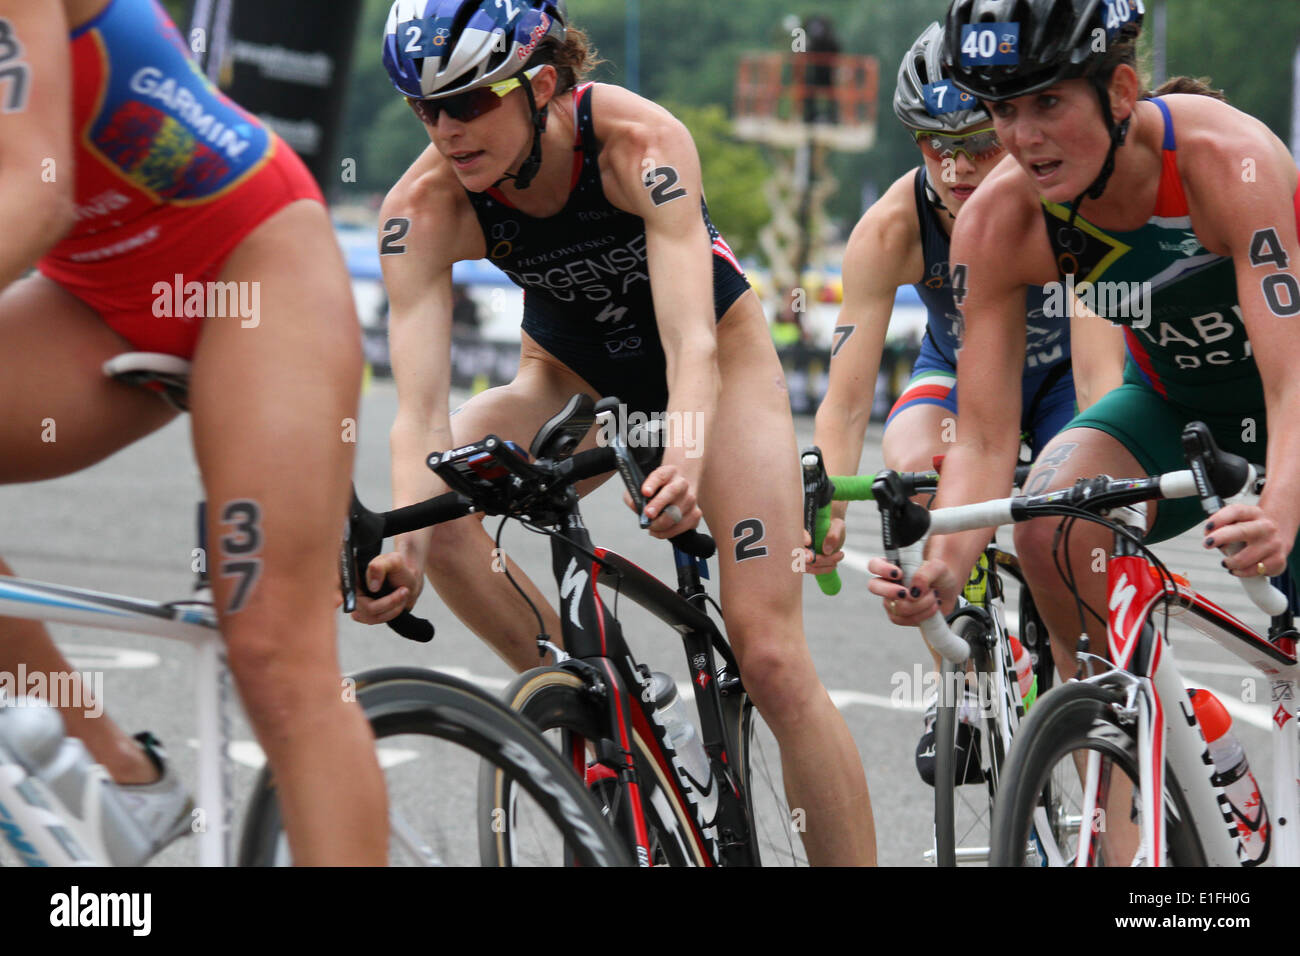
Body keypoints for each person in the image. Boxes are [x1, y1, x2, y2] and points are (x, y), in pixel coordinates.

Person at [359, 0, 875, 864]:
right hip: (569, 384)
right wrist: (401, 547)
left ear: (545, 83)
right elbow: (418, 414)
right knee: (443, 501)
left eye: (471, 101)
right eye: (426, 109)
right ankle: (601, 701)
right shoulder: (421, 207)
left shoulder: (640, 141)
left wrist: (684, 450)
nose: (447, 130)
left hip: (716, 373)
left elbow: (692, 340)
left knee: (773, 658)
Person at [0, 0, 381, 863]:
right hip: (95, 301)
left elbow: (37, 186)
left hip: (250, 258)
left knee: (276, 656)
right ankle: (119, 783)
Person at [870, 0, 1300, 700]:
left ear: (1122, 91)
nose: (1025, 136)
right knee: (1050, 526)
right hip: (1177, 408)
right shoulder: (1001, 220)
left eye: (1047, 101)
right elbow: (982, 437)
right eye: (1003, 110)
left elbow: (1291, 384)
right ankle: (1124, 757)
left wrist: (1279, 508)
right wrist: (942, 569)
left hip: (1290, 405)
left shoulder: (1228, 163)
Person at [807, 22, 1121, 782]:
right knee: (913, 469)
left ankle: (1069, 662)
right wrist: (825, 505)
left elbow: (1097, 379)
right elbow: (848, 402)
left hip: (1059, 384)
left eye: (979, 145)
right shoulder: (890, 227)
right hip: (958, 372)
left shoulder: (1062, 200)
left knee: (1072, 517)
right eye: (931, 145)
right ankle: (968, 672)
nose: (954, 168)